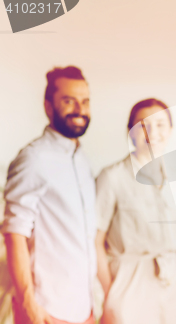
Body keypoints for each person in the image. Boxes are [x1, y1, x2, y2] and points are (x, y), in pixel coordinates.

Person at [2, 66, 96, 324]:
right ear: (48, 107)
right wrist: (29, 304)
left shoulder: (84, 160)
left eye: (85, 101)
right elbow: (14, 234)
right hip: (46, 311)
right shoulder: (33, 158)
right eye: (69, 101)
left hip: (82, 309)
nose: (80, 109)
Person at [94, 98, 176, 324]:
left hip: (174, 277)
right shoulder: (112, 177)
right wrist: (111, 293)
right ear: (130, 132)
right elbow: (95, 240)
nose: (152, 132)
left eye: (160, 124)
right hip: (130, 278)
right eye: (142, 124)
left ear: (170, 130)